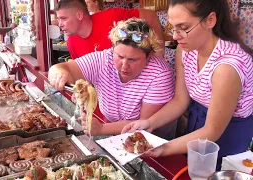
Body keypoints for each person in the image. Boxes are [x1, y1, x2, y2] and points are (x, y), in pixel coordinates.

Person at [122, 0, 253, 170]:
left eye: (183, 28)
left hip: (228, 134)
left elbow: (212, 131)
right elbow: (180, 100)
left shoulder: (226, 68)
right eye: (173, 28)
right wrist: (149, 123)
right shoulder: (185, 51)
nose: (175, 36)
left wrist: (164, 148)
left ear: (210, 20)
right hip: (198, 127)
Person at [49, 18, 175, 138]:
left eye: (133, 59)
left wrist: (102, 129)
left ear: (149, 57)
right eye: (119, 56)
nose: (124, 66)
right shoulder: (104, 59)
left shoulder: (159, 74)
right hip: (115, 137)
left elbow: (143, 125)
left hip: (152, 144)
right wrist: (61, 75)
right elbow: (61, 68)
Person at [55, 0, 165, 59]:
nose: (60, 24)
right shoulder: (71, 43)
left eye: (63, 18)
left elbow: (151, 16)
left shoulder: (111, 17)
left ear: (79, 15)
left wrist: (159, 55)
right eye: (58, 19)